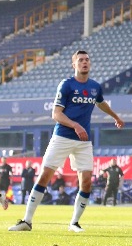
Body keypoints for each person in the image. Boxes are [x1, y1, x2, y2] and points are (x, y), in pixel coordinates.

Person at [9, 50, 124, 233]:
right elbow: (56, 114)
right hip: (62, 136)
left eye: (87, 60)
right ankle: (27, 221)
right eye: (80, 60)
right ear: (74, 65)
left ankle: (74, 223)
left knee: (86, 181)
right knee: (45, 176)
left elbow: (100, 102)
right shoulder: (67, 85)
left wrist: (115, 116)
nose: (84, 62)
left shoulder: (95, 87)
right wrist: (76, 126)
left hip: (83, 141)